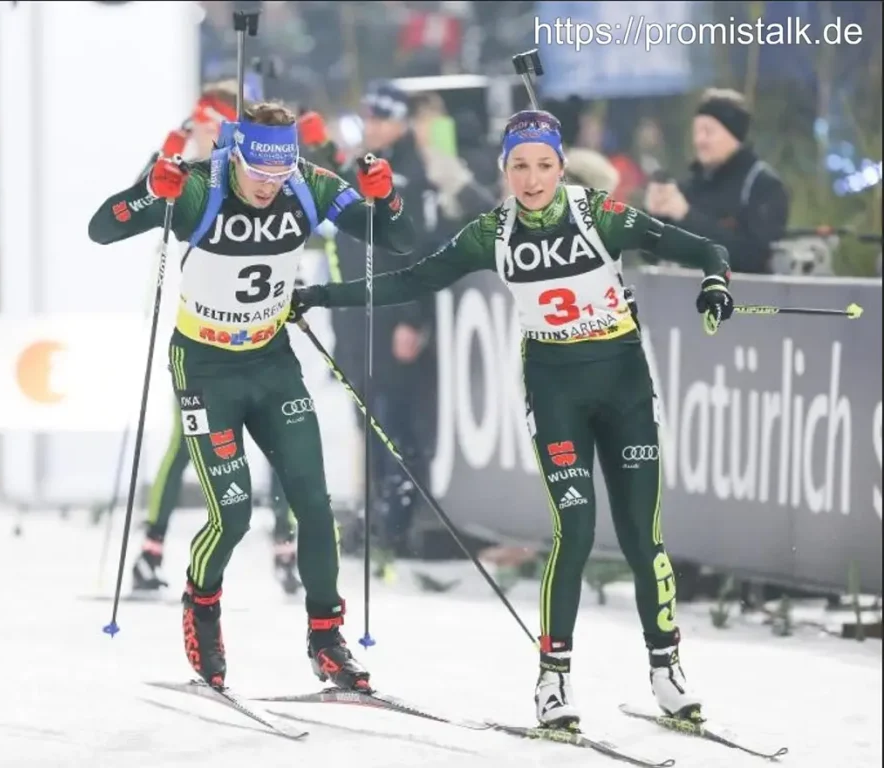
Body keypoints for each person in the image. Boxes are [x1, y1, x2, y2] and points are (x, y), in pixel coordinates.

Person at [289, 110, 735, 728]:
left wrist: (715, 281)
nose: (532, 180)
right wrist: (320, 294)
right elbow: (412, 280)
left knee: (642, 537)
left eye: (544, 165)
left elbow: (705, 248)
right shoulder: (490, 232)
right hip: (555, 390)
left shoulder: (597, 214)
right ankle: (553, 682)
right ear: (504, 170)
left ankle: (666, 670)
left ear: (561, 165)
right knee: (573, 533)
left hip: (625, 385)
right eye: (519, 167)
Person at [88, 99, 415, 692]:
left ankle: (327, 639)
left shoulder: (309, 183)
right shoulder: (197, 189)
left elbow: (394, 236)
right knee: (233, 515)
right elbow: (102, 228)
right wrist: (148, 190)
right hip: (206, 367)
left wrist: (384, 196)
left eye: (280, 174)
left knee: (315, 505)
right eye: (258, 174)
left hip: (270, 363)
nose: (269, 187)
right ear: (235, 154)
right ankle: (202, 606)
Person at [129, 81, 301, 596]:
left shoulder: (250, 168)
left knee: (279, 443)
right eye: (203, 122)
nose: (207, 131)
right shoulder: (195, 166)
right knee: (186, 440)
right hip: (203, 333)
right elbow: (143, 197)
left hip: (256, 325)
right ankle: (150, 548)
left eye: (213, 124)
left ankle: (285, 548)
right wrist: (171, 144)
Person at [298, 83, 440, 579]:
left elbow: (419, 249)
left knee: (394, 422)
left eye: (383, 118)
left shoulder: (411, 173)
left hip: (390, 318)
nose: (374, 126)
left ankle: (398, 521)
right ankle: (378, 515)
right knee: (366, 422)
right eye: (369, 117)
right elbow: (334, 202)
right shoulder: (364, 165)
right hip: (356, 320)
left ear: (401, 123)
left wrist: (413, 317)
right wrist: (317, 148)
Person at [645, 88, 788, 274]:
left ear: (734, 135)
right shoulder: (690, 186)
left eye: (708, 131)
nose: (699, 140)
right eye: (696, 131)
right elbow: (652, 255)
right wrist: (653, 217)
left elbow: (754, 257)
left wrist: (687, 216)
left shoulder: (762, 185)